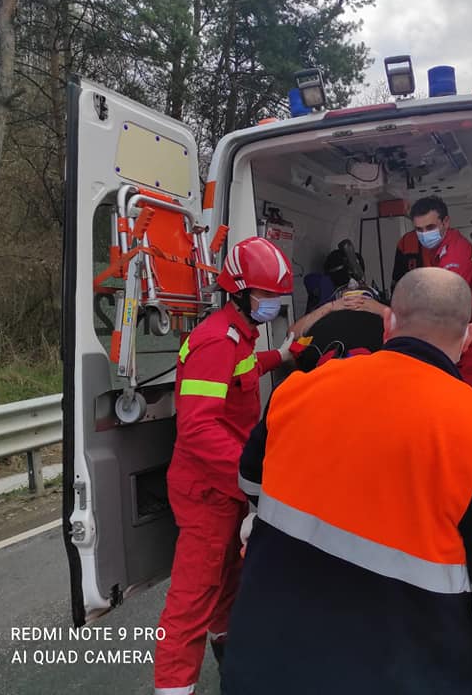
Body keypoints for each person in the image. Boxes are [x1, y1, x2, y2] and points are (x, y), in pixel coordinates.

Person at [224, 267, 472, 695]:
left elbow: (251, 483)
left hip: (262, 668)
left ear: (389, 323)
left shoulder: (296, 391)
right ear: (469, 337)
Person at [154, 236, 297, 695]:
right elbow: (198, 428)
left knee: (227, 583)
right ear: (239, 290)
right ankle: (174, 686)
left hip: (227, 486)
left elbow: (244, 372)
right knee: (193, 598)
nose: (273, 303)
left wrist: (284, 357)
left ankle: (229, 662)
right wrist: (252, 478)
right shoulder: (216, 340)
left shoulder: (238, 335)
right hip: (207, 489)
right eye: (267, 294)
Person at [392, 196, 472, 395]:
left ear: (445, 222)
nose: (424, 234)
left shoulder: (456, 254)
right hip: (463, 323)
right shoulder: (434, 249)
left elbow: (441, 303)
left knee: (465, 388)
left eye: (430, 227)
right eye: (419, 229)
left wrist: (383, 311)